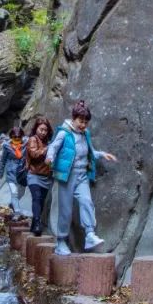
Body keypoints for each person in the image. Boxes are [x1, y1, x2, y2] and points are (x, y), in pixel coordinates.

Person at [45, 100, 118, 255]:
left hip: (82, 175)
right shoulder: (64, 132)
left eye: (85, 122)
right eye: (80, 121)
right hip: (65, 176)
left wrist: (102, 154)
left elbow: (90, 151)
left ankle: (90, 234)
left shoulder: (86, 134)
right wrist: (50, 157)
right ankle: (60, 241)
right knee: (64, 209)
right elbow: (53, 147)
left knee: (86, 201)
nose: (83, 125)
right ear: (74, 119)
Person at [25, 116, 54, 236]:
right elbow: (34, 154)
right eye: (41, 129)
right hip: (34, 174)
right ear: (36, 128)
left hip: (46, 176)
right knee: (37, 198)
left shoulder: (47, 142)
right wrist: (47, 149)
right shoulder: (33, 139)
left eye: (45, 130)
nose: (43, 132)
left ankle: (34, 224)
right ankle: (37, 223)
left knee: (41, 201)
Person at [0, 126, 28, 215]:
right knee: (14, 192)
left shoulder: (26, 144)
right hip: (11, 172)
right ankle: (17, 212)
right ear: (11, 136)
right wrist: (1, 173)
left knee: (21, 193)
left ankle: (12, 204)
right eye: (15, 137)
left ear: (22, 136)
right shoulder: (7, 146)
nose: (17, 138)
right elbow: (3, 160)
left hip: (22, 173)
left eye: (19, 137)